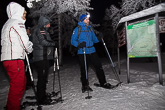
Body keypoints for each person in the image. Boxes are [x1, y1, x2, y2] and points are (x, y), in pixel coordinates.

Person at [1, 2, 33, 110]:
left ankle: (13, 105)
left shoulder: (7, 23)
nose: (24, 16)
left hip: (8, 58)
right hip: (14, 59)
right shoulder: (17, 23)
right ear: (18, 13)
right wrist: (29, 48)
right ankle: (13, 107)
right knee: (18, 85)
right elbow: (24, 41)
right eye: (23, 14)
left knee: (21, 83)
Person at [71, 14, 114, 93]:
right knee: (84, 69)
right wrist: (79, 44)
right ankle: (85, 85)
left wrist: (99, 38)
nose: (88, 20)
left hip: (92, 50)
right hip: (82, 51)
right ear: (82, 20)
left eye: (88, 19)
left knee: (99, 67)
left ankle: (103, 83)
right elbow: (72, 41)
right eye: (86, 19)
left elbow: (94, 40)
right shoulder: (77, 29)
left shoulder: (90, 29)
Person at [32, 16, 57, 105]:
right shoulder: (40, 30)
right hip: (41, 58)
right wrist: (53, 43)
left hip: (44, 57)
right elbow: (43, 42)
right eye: (48, 23)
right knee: (42, 78)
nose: (49, 25)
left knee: (43, 78)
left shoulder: (43, 30)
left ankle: (42, 94)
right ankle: (41, 98)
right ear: (44, 23)